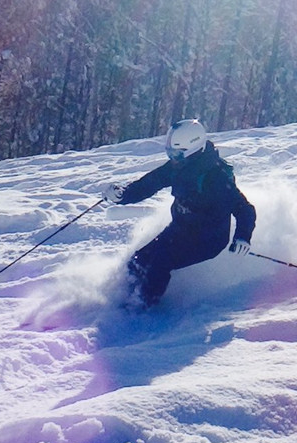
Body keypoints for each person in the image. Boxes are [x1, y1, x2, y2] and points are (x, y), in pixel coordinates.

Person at [102, 119, 256, 309]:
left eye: (177, 154)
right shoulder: (179, 166)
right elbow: (150, 183)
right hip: (180, 229)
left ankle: (140, 308)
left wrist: (242, 237)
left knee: (160, 262)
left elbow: (244, 209)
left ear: (193, 149)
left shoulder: (216, 178)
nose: (173, 158)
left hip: (208, 240)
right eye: (170, 153)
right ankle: (121, 297)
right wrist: (123, 195)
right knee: (138, 260)